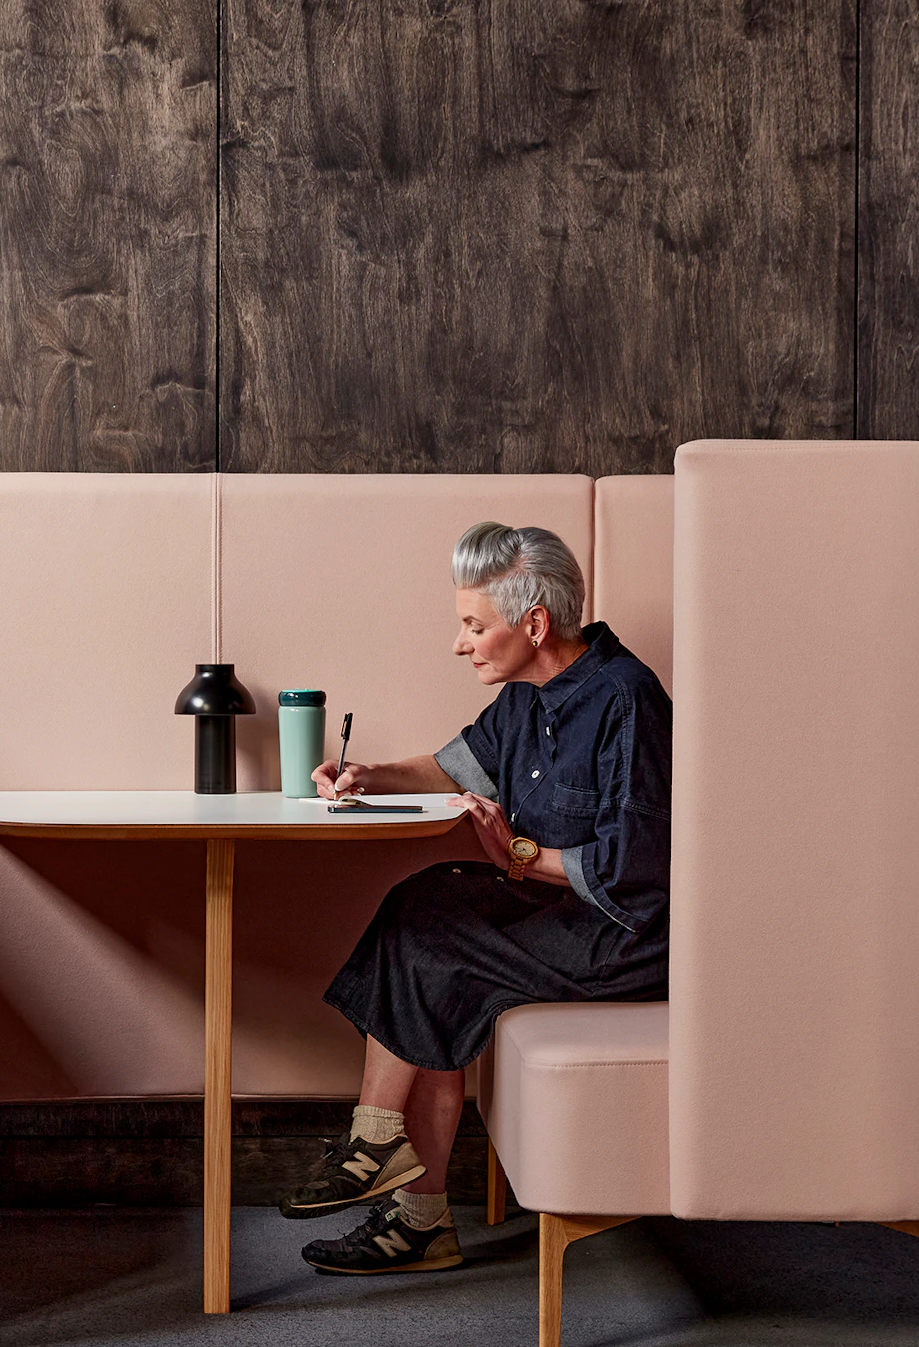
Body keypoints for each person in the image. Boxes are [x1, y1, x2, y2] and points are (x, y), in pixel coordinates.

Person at [279, 521, 672, 1275]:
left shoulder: (628, 698)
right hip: (562, 917)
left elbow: (637, 869)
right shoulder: (527, 694)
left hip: (624, 938)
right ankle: (402, 1190)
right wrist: (368, 773)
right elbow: (458, 765)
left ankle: (384, 1160)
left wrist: (521, 853)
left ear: (533, 623)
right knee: (423, 904)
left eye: (472, 625)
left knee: (434, 935)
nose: (460, 643)